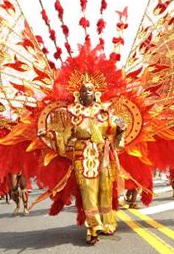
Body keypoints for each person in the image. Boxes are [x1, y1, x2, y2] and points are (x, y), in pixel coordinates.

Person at [39, 79, 126, 245]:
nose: (88, 93)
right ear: (79, 95)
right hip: (82, 155)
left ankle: (107, 223)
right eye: (84, 90)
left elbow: (115, 132)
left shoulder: (105, 112)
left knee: (105, 189)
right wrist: (50, 135)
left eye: (90, 90)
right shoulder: (74, 114)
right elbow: (64, 138)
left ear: (95, 94)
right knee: (87, 190)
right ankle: (93, 227)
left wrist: (121, 130)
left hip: (103, 154)